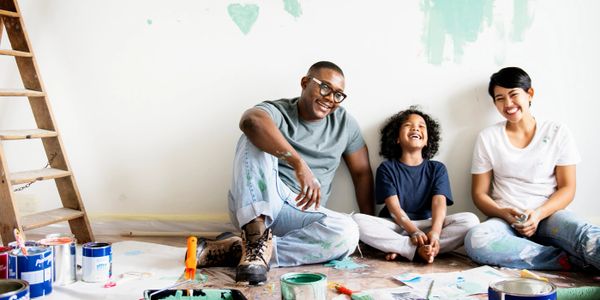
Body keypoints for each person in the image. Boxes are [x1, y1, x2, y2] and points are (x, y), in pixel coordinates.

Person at [194, 61, 375, 285]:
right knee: (252, 137)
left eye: (338, 94)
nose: (330, 98)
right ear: (305, 83)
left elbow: (362, 173)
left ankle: (245, 251)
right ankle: (255, 235)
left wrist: (371, 226)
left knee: (348, 233)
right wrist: (298, 163)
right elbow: (250, 121)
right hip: (262, 200)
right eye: (325, 88)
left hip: (303, 214)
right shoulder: (279, 111)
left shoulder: (345, 124)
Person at [465, 67, 599, 270]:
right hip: (506, 222)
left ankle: (574, 253)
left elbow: (568, 188)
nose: (508, 104)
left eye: (513, 94)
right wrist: (503, 212)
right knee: (476, 238)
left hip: (549, 216)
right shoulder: (488, 137)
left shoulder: (557, 131)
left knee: (587, 235)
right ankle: (568, 261)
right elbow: (479, 194)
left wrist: (537, 214)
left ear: (530, 94)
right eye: (500, 98)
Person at [353, 107, 479, 263]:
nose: (415, 128)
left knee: (470, 220)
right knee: (357, 221)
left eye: (421, 126)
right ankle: (412, 248)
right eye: (408, 125)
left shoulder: (437, 169)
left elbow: (439, 203)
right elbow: (394, 210)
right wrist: (413, 232)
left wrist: (435, 232)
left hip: (427, 225)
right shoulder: (386, 168)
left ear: (427, 141)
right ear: (397, 138)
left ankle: (410, 249)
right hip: (396, 226)